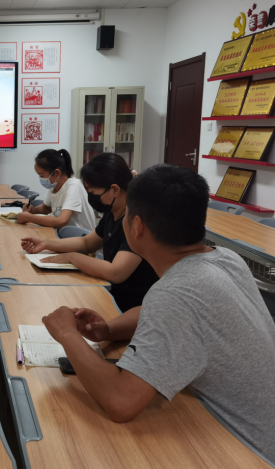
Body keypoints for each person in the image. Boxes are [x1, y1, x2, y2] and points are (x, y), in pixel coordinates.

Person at [40, 164, 275, 462]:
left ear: (137, 227)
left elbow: (121, 402)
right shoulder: (225, 258)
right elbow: (165, 312)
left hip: (247, 450)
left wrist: (66, 334)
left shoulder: (177, 292)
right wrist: (109, 330)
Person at [21, 153, 158, 312]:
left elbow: (116, 273)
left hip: (131, 307)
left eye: (93, 192)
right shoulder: (113, 213)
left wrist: (72, 257)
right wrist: (46, 243)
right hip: (111, 293)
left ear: (114, 190)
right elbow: (86, 242)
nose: (91, 198)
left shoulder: (136, 222)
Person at [17, 149, 97, 231]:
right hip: (64, 234)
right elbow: (48, 208)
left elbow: (62, 221)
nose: (41, 179)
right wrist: (35, 210)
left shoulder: (74, 186)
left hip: (81, 236)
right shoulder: (54, 185)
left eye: (42, 176)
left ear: (57, 172)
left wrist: (29, 217)